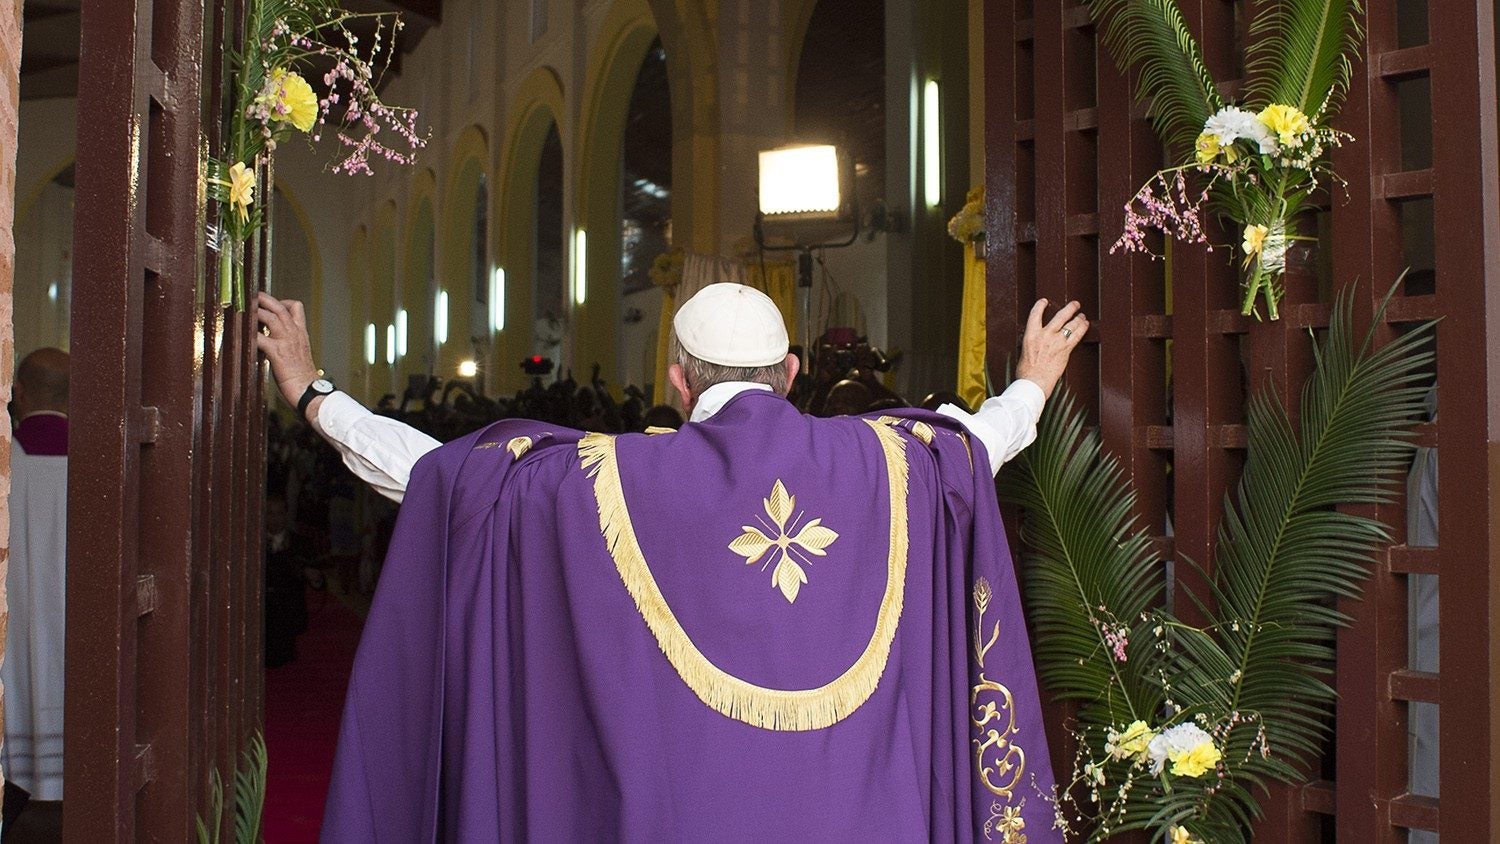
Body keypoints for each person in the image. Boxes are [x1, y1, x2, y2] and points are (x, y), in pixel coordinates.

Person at [256, 284, 1088, 841]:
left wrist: (312, 393)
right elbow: (985, 442)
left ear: (678, 381)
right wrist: (1034, 382)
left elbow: (437, 476)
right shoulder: (891, 463)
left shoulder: (590, 482)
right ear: (792, 373)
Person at [3, 348, 71, 843]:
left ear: (18, 394)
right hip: (81, 625)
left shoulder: (9, 461)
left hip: (20, 619)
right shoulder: (104, 461)